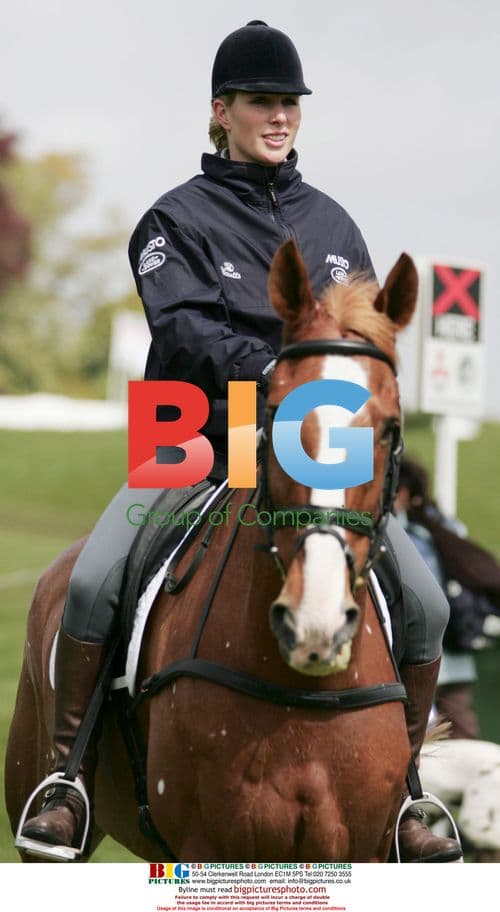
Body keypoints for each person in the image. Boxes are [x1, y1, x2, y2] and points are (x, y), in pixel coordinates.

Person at [20, 21, 461, 863]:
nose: (280, 116)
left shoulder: (333, 225)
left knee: (428, 602)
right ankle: (68, 777)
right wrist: (288, 383)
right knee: (92, 579)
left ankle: (408, 794)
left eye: (290, 103)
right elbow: (184, 336)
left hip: (314, 458)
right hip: (192, 438)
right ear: (220, 111)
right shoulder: (170, 220)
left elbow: (365, 346)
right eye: (262, 101)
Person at [395, 457, 500, 740]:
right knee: (458, 730)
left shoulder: (411, 533)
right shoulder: (443, 526)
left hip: (431, 654)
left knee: (437, 736)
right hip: (448, 652)